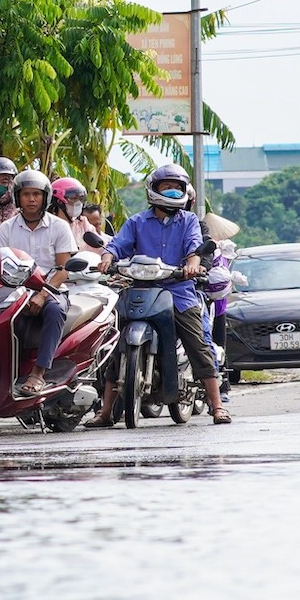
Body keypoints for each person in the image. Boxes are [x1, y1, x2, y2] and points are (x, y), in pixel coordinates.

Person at [89, 163, 231, 427]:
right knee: (116, 344)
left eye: (177, 188)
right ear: (154, 190)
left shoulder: (189, 221)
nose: (173, 192)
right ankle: (106, 411)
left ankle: (217, 405)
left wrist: (192, 264)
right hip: (141, 290)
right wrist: (107, 259)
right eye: (167, 187)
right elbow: (117, 245)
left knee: (197, 344)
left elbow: (193, 247)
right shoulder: (137, 221)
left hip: (178, 291)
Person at [0, 169, 79, 398]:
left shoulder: (59, 227)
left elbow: (63, 270)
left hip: (51, 290)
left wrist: (42, 294)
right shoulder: (7, 228)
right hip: (14, 290)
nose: (31, 199)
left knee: (55, 311)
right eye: (26, 194)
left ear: (45, 197)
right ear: (17, 198)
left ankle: (39, 373)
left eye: (36, 194)